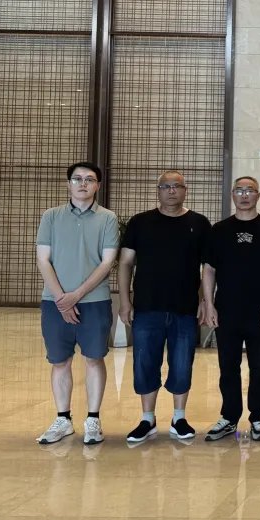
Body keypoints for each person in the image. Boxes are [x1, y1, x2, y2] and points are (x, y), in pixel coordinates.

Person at [118, 171, 211, 444]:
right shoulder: (140, 222)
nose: (171, 191)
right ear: (158, 191)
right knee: (145, 363)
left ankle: (179, 418)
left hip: (185, 308)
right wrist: (125, 301)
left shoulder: (199, 223)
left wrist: (205, 300)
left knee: (182, 364)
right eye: (165, 186)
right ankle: (147, 419)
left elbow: (207, 267)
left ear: (185, 190)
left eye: (177, 186)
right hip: (147, 307)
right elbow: (125, 263)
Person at [34, 162, 119, 445]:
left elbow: (107, 262)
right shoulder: (51, 216)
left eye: (89, 179)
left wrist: (76, 295)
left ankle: (93, 419)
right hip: (54, 302)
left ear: (98, 186)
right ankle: (63, 419)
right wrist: (62, 298)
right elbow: (43, 259)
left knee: (94, 358)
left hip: (95, 301)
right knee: (60, 361)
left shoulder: (107, 218)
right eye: (77, 179)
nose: (83, 184)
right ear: (68, 183)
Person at [201, 176, 260, 443]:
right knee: (228, 365)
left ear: (258, 195)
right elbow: (209, 269)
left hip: (258, 310)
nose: (245, 195)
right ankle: (229, 417)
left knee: (259, 366)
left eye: (250, 190)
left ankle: (258, 417)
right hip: (226, 310)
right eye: (240, 190)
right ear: (233, 195)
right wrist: (209, 304)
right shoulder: (218, 230)